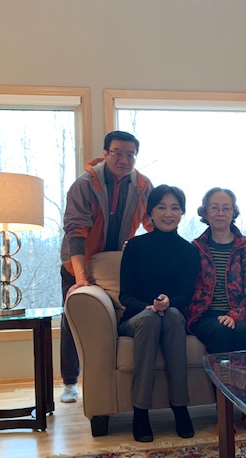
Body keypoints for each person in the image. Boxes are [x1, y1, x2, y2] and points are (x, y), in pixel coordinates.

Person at [59, 131, 153, 403]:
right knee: (74, 318)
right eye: (118, 153)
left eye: (130, 155)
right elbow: (76, 231)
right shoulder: (85, 183)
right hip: (79, 261)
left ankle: (109, 379)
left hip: (115, 265)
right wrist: (81, 277)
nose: (124, 160)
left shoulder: (143, 186)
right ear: (105, 153)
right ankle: (69, 382)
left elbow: (153, 223)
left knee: (118, 315)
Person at [117, 184, 200, 443]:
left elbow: (186, 295)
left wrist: (168, 302)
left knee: (173, 316)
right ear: (150, 212)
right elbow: (125, 296)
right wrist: (149, 306)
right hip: (137, 317)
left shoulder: (189, 251)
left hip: (172, 314)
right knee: (151, 320)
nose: (168, 213)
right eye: (161, 207)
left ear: (181, 213)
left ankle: (180, 406)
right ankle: (140, 411)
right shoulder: (135, 246)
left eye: (175, 208)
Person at [187, 187, 246, 355]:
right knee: (220, 332)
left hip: (242, 313)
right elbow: (188, 288)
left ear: (233, 212)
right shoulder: (195, 248)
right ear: (205, 212)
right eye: (214, 208)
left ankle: (245, 374)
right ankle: (222, 374)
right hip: (205, 315)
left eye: (226, 208)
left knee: (245, 332)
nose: (220, 213)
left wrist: (235, 315)